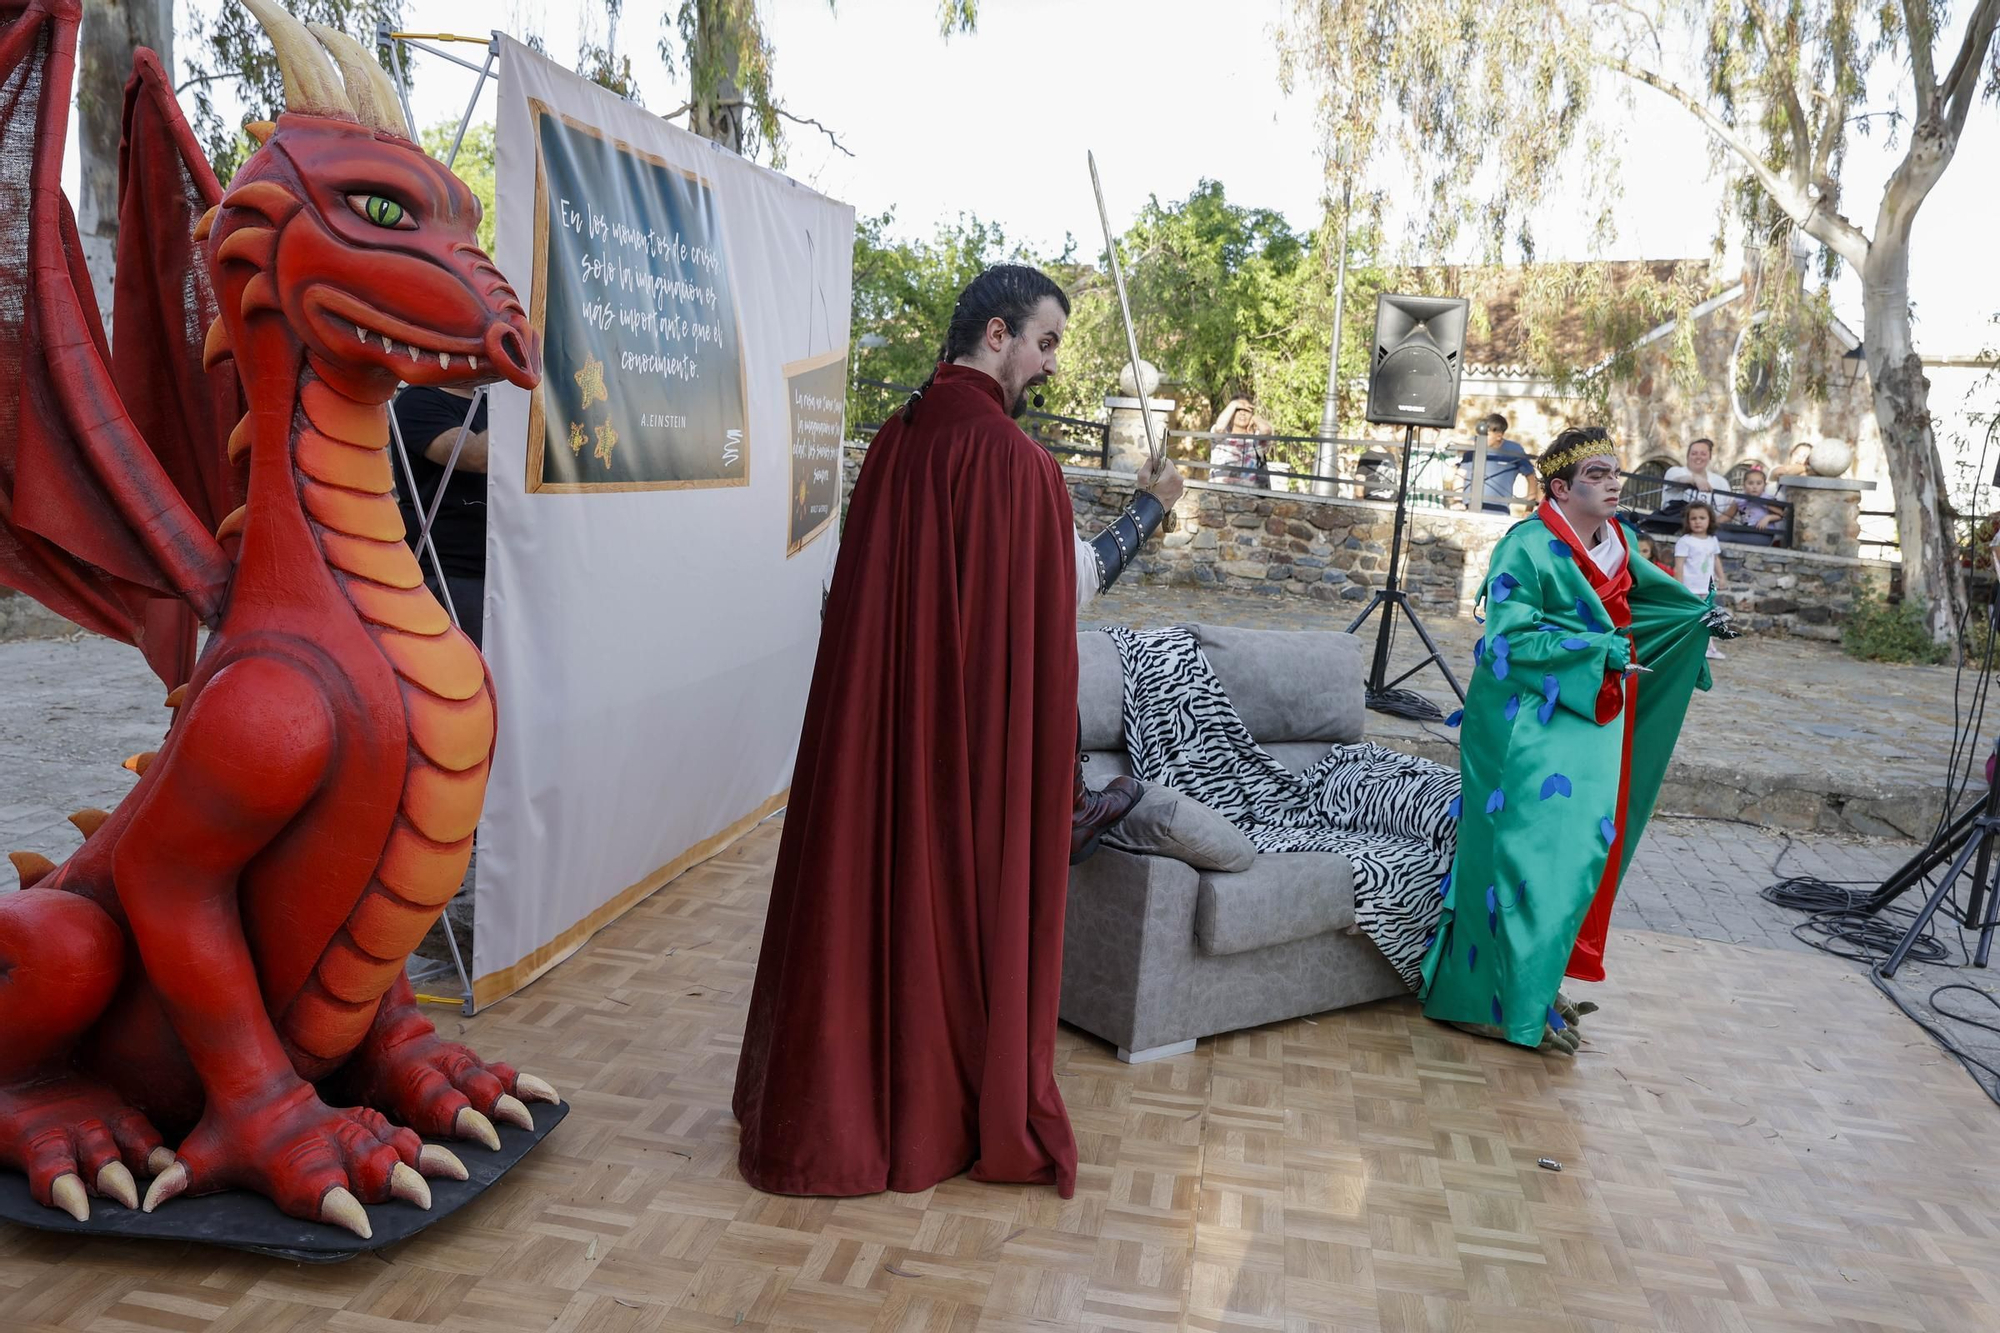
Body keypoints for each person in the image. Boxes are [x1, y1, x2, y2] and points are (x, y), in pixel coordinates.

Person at [732, 265, 1184, 1200]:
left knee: (861, 899)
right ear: (994, 336)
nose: (1052, 365)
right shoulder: (1014, 468)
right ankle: (929, 1111)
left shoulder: (898, 440)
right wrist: (1151, 510)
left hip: (879, 748)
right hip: (960, 766)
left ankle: (831, 1103)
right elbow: (1064, 592)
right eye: (1046, 342)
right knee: (952, 919)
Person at [1420, 426, 1726, 1052]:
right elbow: (1506, 644)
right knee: (1519, 856)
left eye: (1616, 470)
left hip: (1589, 720)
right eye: (1597, 473)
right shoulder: (1525, 548)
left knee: (1580, 855)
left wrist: (1699, 618)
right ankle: (1485, 1001)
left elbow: (1652, 602)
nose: (1614, 481)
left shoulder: (1619, 540)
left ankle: (1532, 987)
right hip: (1521, 725)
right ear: (1559, 488)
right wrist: (1598, 651)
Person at [391, 384, 489, 646]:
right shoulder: (418, 399)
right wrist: (530, 408)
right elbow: (475, 455)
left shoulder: (488, 406)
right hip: (451, 574)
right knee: (464, 675)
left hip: (499, 571)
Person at [1675, 501, 1729, 660]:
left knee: (1707, 617)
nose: (1697, 521)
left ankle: (1708, 648)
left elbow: (1715, 559)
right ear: (1687, 521)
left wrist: (1722, 577)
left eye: (1702, 518)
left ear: (1709, 520)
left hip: (1706, 588)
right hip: (1689, 587)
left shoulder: (1712, 540)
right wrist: (1679, 587)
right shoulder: (1685, 541)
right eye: (1693, 518)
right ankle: (1685, 647)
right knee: (1690, 619)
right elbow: (1679, 566)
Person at [1458, 412, 1537, 514]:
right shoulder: (1471, 445)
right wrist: (1457, 501)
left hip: (1499, 511)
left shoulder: (1514, 450)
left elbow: (1532, 478)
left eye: (1486, 434)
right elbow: (1461, 473)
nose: (1480, 437)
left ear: (1499, 436)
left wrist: (1528, 510)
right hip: (1469, 508)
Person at [1660, 437, 1735, 522]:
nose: (1698, 457)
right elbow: (1676, 480)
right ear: (1688, 456)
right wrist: (1694, 479)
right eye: (1694, 453)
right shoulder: (1675, 471)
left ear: (1709, 457)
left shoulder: (1721, 482)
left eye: (1703, 454)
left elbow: (1730, 508)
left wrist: (1713, 525)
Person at [1209, 398, 1271, 488]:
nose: (1242, 413)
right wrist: (1234, 404)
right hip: (1220, 490)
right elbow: (1219, 428)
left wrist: (1254, 417)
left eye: (1246, 410)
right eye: (1238, 409)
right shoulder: (1222, 437)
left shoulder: (1255, 439)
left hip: (1248, 493)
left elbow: (1266, 430)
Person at [1733, 465, 1785, 537]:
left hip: (1763, 533)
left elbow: (1782, 514)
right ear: (1744, 485)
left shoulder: (1768, 499)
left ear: (1764, 485)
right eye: (1750, 483)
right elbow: (1726, 516)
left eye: (1759, 483)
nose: (1754, 487)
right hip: (1746, 531)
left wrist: (1768, 518)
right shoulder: (1740, 499)